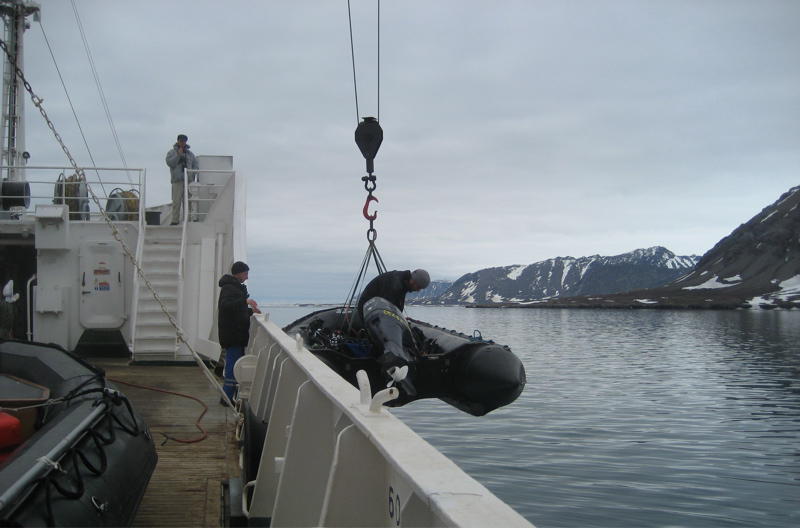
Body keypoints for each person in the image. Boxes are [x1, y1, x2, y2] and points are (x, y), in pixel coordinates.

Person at [217, 261, 260, 404]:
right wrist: (245, 301)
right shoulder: (229, 288)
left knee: (234, 366)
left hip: (236, 334)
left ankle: (229, 396)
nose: (247, 277)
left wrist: (250, 311)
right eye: (246, 273)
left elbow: (236, 311)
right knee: (233, 368)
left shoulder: (234, 288)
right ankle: (226, 399)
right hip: (233, 335)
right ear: (239, 273)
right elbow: (226, 307)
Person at [356, 269, 430, 322]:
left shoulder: (403, 283)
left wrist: (401, 318)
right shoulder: (395, 284)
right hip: (367, 311)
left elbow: (396, 307)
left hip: (375, 310)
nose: (418, 290)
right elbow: (386, 309)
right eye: (418, 287)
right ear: (413, 281)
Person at [165, 133, 199, 225]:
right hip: (177, 181)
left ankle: (186, 220)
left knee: (187, 202)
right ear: (178, 141)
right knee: (176, 201)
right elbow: (170, 163)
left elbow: (196, 165)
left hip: (188, 181)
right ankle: (175, 220)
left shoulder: (190, 154)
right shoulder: (171, 152)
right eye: (181, 141)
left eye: (184, 141)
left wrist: (191, 175)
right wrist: (178, 155)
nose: (182, 143)